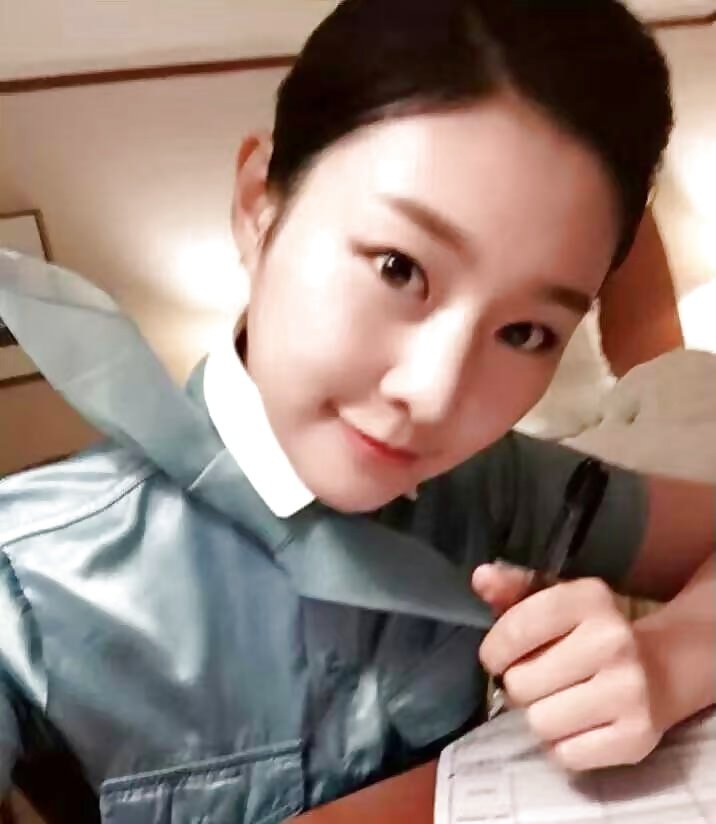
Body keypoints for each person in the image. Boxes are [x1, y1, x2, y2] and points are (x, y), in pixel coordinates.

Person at [0, 0, 713, 821]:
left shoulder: (497, 486)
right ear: (259, 203)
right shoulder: (30, 580)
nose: (435, 397)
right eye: (398, 268)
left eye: (526, 332)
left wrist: (672, 658)